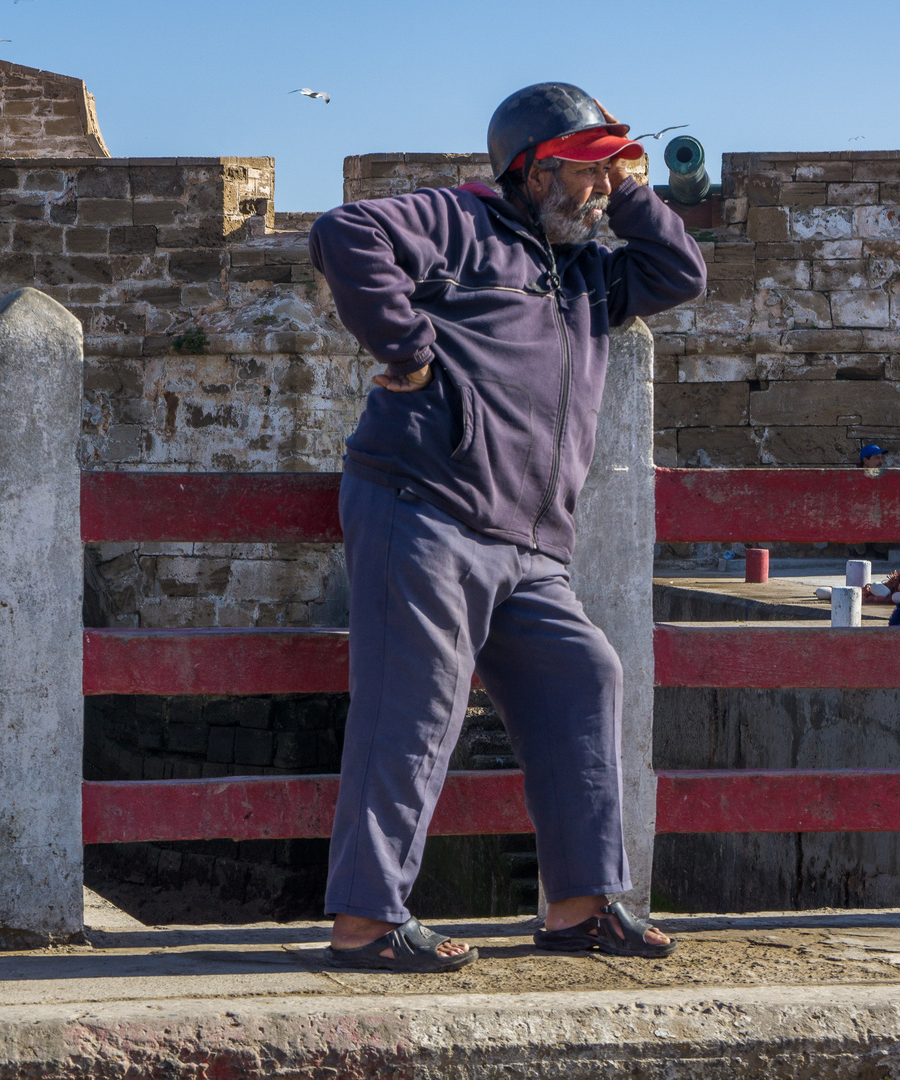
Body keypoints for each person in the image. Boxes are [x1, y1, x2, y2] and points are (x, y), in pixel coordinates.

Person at [308, 82, 706, 973]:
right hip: (427, 509)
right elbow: (346, 234)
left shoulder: (593, 274)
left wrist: (633, 186)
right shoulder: (460, 220)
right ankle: (365, 922)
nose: (599, 191)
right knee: (412, 711)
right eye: (583, 171)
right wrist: (409, 354)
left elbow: (683, 273)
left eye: (610, 174)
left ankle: (579, 907)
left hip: (531, 544)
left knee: (584, 674)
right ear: (528, 170)